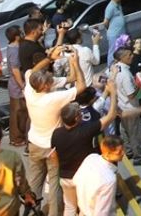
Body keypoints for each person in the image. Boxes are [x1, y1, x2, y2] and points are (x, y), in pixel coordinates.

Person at [24, 55, 86, 212]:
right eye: (50, 81)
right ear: (45, 86)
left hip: (34, 144)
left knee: (35, 181)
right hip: (51, 148)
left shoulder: (29, 91)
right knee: (54, 185)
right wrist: (75, 63)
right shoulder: (54, 99)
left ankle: (32, 209)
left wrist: (50, 57)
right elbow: (81, 87)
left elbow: (33, 71)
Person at [51, 83, 118, 216]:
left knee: (69, 207)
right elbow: (111, 116)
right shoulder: (85, 131)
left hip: (65, 177)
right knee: (84, 208)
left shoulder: (56, 133)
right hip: (82, 177)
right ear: (76, 118)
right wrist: (113, 93)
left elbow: (54, 156)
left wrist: (60, 170)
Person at [72, 134, 126, 216]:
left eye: (123, 150)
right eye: (119, 152)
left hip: (83, 210)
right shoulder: (109, 180)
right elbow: (102, 212)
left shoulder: (91, 157)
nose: (123, 153)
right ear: (108, 153)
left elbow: (75, 180)